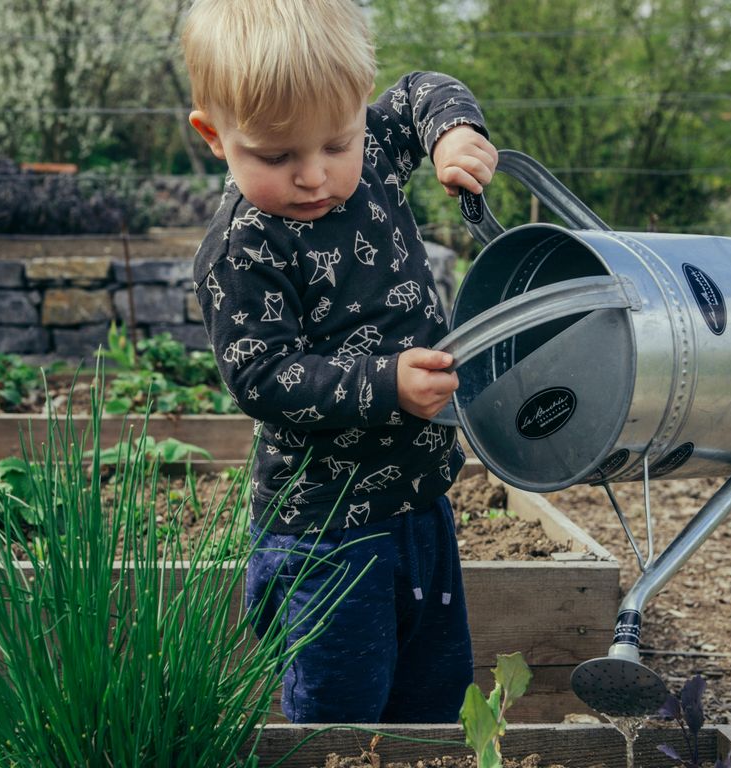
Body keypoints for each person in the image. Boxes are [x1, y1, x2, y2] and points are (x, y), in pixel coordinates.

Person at [182, 0, 498, 724]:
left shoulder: (376, 149)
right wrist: (383, 384)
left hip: (420, 499)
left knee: (433, 688)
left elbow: (422, 90)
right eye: (275, 155)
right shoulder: (245, 248)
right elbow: (262, 374)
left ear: (358, 110)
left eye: (337, 143)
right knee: (341, 708)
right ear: (213, 135)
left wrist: (453, 134)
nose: (314, 175)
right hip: (325, 528)